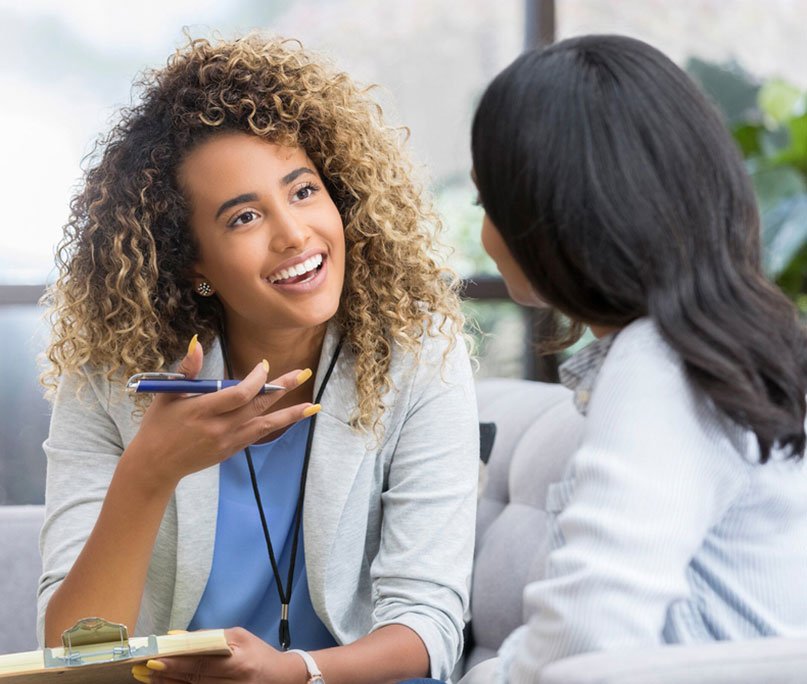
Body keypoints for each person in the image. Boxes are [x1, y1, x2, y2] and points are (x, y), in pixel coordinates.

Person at [38, 34, 479, 684]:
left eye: (303, 192)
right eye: (243, 218)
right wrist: (148, 473)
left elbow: (428, 624)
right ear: (195, 266)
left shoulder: (417, 356)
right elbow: (72, 657)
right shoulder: (111, 380)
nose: (295, 234)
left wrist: (296, 671)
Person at [468, 34, 807, 682]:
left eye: (490, 203)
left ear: (555, 218)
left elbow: (587, 633)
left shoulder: (660, 366)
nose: (486, 234)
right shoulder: (722, 347)